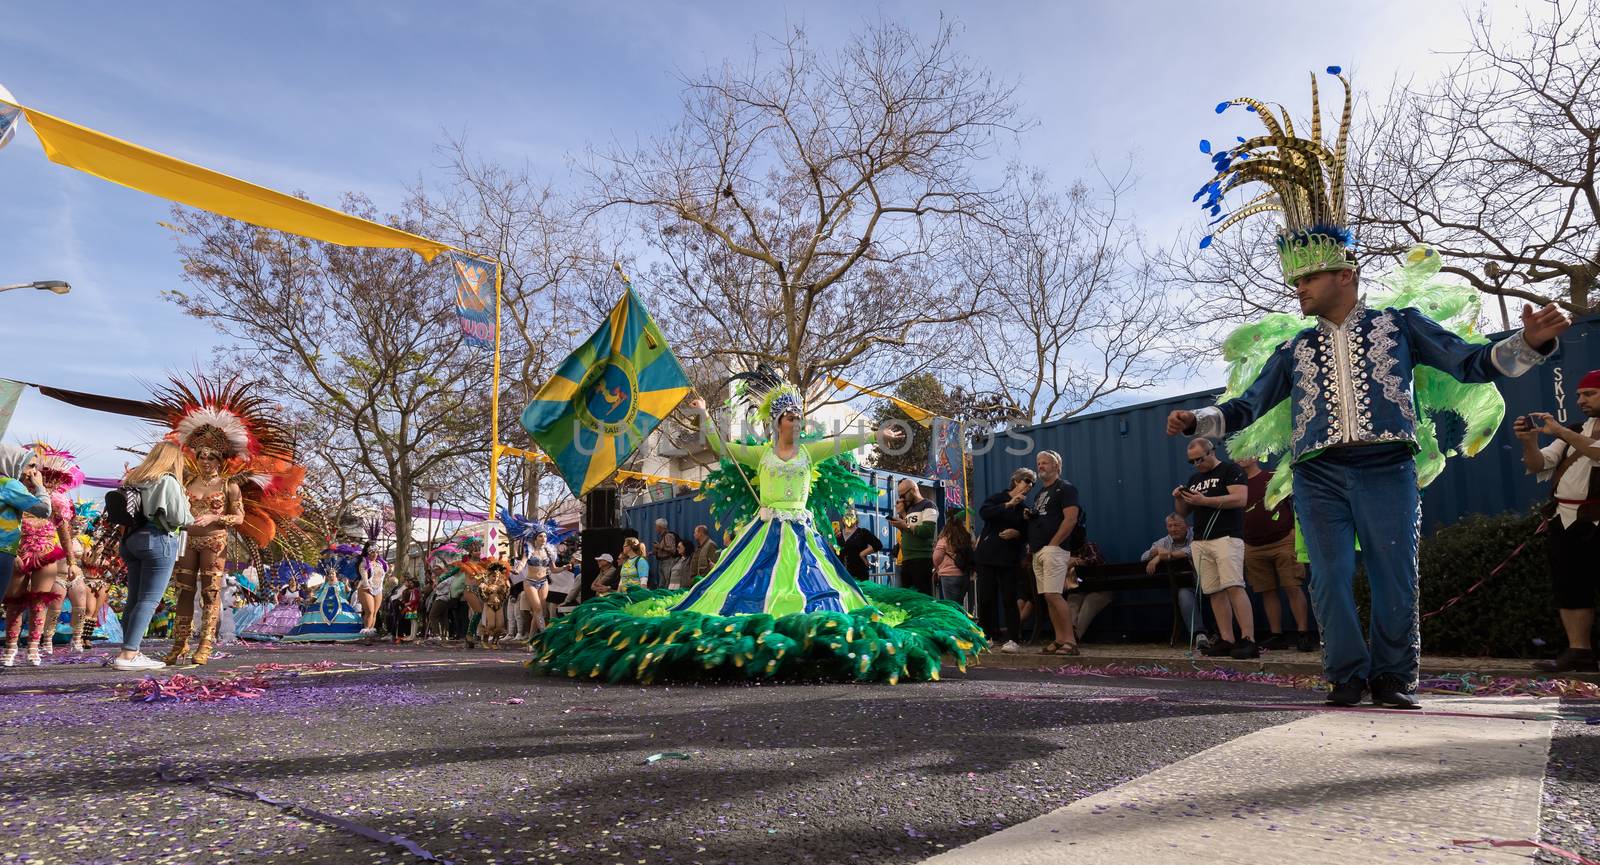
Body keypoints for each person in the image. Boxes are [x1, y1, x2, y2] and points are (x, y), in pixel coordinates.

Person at [1171, 68, 1569, 708]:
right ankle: (1346, 676)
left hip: (1388, 466)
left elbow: (1469, 363)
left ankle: (1394, 677)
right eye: (1294, 280)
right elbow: (1247, 406)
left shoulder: (1400, 324)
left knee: (1395, 576)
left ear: (1344, 274)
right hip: (1318, 473)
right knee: (1327, 577)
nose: (1296, 290)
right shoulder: (1294, 347)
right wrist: (1198, 421)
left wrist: (1531, 344)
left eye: (1306, 279)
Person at [530, 367, 983, 685]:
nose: (796, 421)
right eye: (789, 416)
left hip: (802, 532)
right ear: (776, 421)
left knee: (817, 588)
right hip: (765, 531)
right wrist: (705, 413)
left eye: (799, 416)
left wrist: (876, 436)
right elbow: (719, 446)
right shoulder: (761, 454)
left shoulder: (809, 452)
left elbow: (846, 439)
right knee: (746, 585)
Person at [1516, 371, 1600, 673]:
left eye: (1589, 394)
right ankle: (1579, 651)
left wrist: (1561, 431)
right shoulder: (1575, 429)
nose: (1580, 400)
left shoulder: (1570, 432)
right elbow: (1539, 463)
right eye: (1579, 395)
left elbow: (1597, 453)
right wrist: (1529, 442)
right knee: (1570, 585)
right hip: (1565, 520)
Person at [110, 441, 193, 672]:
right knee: (149, 599)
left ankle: (130, 649)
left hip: (131, 540)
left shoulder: (135, 479)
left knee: (134, 599)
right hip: (158, 539)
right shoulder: (167, 481)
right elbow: (180, 518)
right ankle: (129, 654)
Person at [1173, 439, 1257, 659]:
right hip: (1202, 539)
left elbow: (1240, 498)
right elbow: (1183, 512)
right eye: (1191, 461)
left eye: (1200, 459)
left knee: (1234, 586)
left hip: (1227, 536)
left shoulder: (1230, 469)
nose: (1196, 464)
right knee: (1214, 591)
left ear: (1212, 452)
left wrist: (1205, 500)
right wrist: (1179, 499)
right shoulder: (1195, 479)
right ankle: (1226, 638)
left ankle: (1248, 638)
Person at [1237, 457, 1313, 651]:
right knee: (1267, 590)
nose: (1241, 458)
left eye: (1245, 453)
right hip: (1253, 545)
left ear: (1256, 456)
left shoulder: (1273, 478)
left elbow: (1296, 502)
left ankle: (1303, 634)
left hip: (1283, 541)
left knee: (1292, 586)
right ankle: (1276, 635)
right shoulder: (1237, 485)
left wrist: (1295, 533)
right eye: (1237, 454)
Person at [1026, 450, 1084, 656]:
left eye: (1045, 463)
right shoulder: (1040, 493)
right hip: (1038, 551)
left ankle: (1070, 641)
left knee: (1054, 594)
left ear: (1057, 466)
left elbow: (1070, 519)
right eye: (1038, 463)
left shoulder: (1066, 488)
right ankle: (1059, 640)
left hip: (1055, 550)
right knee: (1047, 596)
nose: (1040, 466)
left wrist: (1053, 544)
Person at [0, 446, 53, 665]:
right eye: (29, 465)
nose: (31, 472)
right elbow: (43, 509)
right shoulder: (7, 484)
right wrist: (40, 487)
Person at [976, 468, 1033, 654]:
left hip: (1009, 559)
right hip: (987, 557)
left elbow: (1028, 534)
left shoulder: (1025, 508)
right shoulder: (997, 498)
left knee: (1010, 599)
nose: (1030, 485)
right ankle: (986, 637)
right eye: (1027, 480)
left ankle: (1013, 639)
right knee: (986, 599)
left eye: (1033, 483)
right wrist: (1008, 504)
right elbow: (984, 513)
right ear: (1016, 481)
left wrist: (1017, 533)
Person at [1140, 513, 1204, 648]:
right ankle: (1199, 634)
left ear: (1187, 526)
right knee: (1184, 595)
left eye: (1177, 525)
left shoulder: (1196, 535)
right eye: (1170, 526)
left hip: (1207, 581)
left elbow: (1192, 550)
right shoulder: (1165, 541)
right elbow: (1143, 557)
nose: (1173, 529)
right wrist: (1156, 551)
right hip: (1188, 586)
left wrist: (1163, 557)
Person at [888, 480, 938, 594]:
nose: (901, 498)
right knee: (908, 597)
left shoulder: (928, 505)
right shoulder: (909, 509)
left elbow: (927, 531)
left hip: (921, 559)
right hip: (907, 560)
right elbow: (909, 531)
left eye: (903, 495)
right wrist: (901, 521)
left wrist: (905, 525)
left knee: (922, 596)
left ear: (913, 490)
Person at [932, 512, 974, 607]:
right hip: (964, 575)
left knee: (951, 605)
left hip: (948, 575)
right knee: (959, 604)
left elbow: (937, 557)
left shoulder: (945, 539)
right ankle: (961, 620)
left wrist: (938, 568)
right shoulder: (965, 538)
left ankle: (955, 621)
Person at [835, 511, 883, 584]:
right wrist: (832, 539)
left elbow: (878, 545)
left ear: (856, 519)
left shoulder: (863, 532)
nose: (849, 518)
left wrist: (862, 554)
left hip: (859, 575)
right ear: (843, 519)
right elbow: (832, 552)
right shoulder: (838, 535)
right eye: (846, 515)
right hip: (841, 576)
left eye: (851, 515)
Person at [356, 543, 389, 638]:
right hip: (366, 588)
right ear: (368, 553)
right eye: (372, 552)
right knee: (369, 611)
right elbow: (364, 577)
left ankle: (370, 632)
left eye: (376, 552)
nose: (375, 554)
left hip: (378, 588)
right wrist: (368, 586)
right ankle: (366, 632)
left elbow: (384, 575)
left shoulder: (381, 563)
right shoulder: (364, 563)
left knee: (374, 612)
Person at [651, 518, 679, 591]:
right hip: (663, 562)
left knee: (667, 582)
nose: (655, 528)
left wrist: (659, 546)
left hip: (668, 562)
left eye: (656, 526)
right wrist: (653, 552)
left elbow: (673, 549)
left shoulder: (668, 536)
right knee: (662, 583)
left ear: (660, 527)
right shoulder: (663, 536)